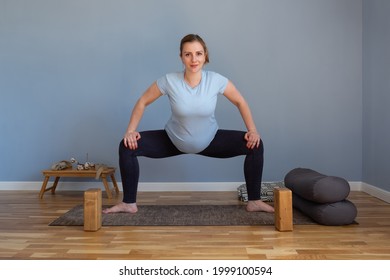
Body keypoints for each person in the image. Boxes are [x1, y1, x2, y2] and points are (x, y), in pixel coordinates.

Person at [103, 34, 274, 214]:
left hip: (210, 140)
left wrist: (252, 130)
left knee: (256, 144)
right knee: (127, 146)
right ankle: (129, 203)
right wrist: (130, 131)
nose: (194, 59)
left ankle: (254, 201)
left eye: (198, 54)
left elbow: (240, 101)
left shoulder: (216, 80)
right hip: (173, 140)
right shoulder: (169, 80)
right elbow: (142, 101)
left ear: (205, 55)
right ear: (181, 57)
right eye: (188, 54)